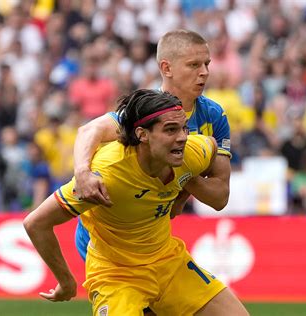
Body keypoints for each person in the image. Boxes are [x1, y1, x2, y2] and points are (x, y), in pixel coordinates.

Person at [23, 89, 249, 315]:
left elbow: (209, 145)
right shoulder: (108, 173)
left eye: (184, 128)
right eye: (170, 130)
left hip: (169, 263)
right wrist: (66, 282)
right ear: (142, 134)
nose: (182, 137)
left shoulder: (189, 152)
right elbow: (35, 223)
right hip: (116, 276)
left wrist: (181, 195)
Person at [73, 29, 232, 261]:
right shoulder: (144, 110)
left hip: (149, 234)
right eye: (194, 65)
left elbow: (220, 198)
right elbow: (89, 130)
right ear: (166, 68)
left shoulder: (214, 116)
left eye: (207, 64)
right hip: (103, 233)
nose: (204, 73)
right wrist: (82, 172)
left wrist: (184, 175)